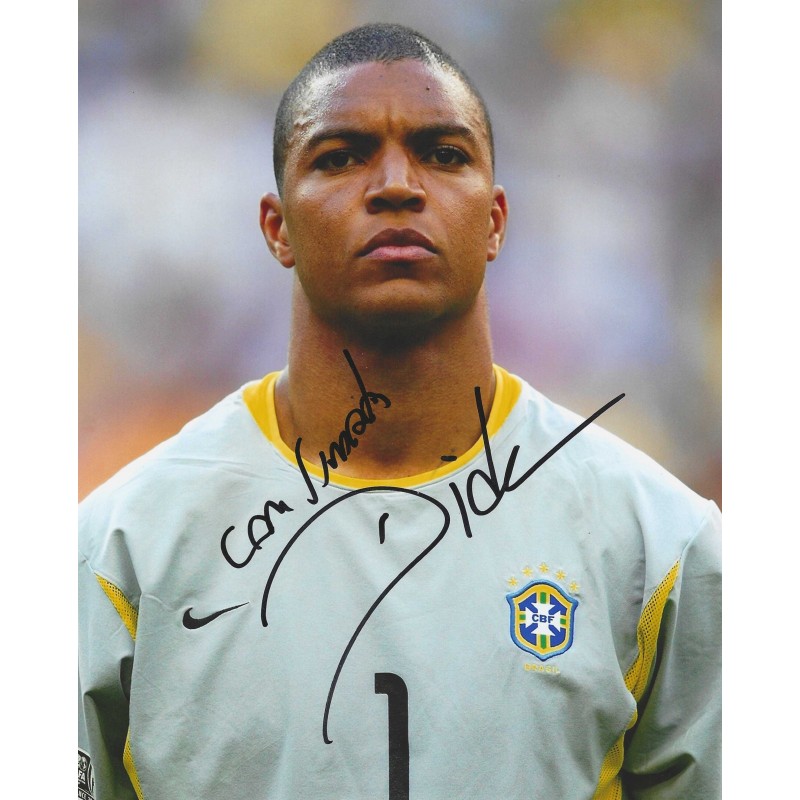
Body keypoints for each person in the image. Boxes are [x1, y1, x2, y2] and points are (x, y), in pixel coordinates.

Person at [78, 22, 721, 800]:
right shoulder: (122, 551)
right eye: (340, 156)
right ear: (277, 228)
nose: (395, 185)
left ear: (496, 221)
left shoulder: (661, 545)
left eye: (443, 154)